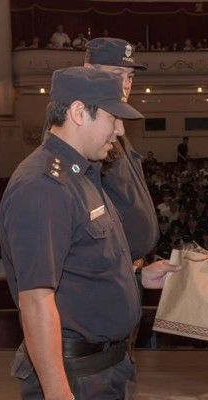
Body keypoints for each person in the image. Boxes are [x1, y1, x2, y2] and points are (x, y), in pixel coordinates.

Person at [0, 67, 178, 400]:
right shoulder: (43, 187)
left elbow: (82, 264)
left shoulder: (84, 174)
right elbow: (35, 300)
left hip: (107, 373)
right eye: (113, 118)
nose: (120, 130)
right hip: (77, 381)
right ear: (79, 113)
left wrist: (139, 279)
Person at [83, 37, 160, 260]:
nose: (126, 84)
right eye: (117, 74)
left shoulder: (115, 124)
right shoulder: (82, 129)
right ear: (88, 72)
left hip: (130, 264)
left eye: (130, 76)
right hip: (109, 266)